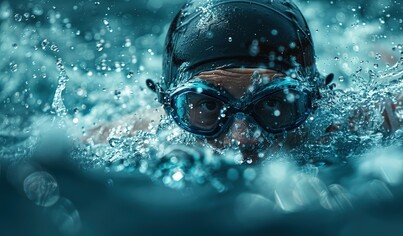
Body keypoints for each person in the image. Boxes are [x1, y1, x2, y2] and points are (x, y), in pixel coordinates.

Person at [88, 0, 402, 162]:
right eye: (209, 104)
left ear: (315, 100)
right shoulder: (141, 134)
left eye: (274, 102)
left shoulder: (346, 123)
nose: (242, 137)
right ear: (170, 106)